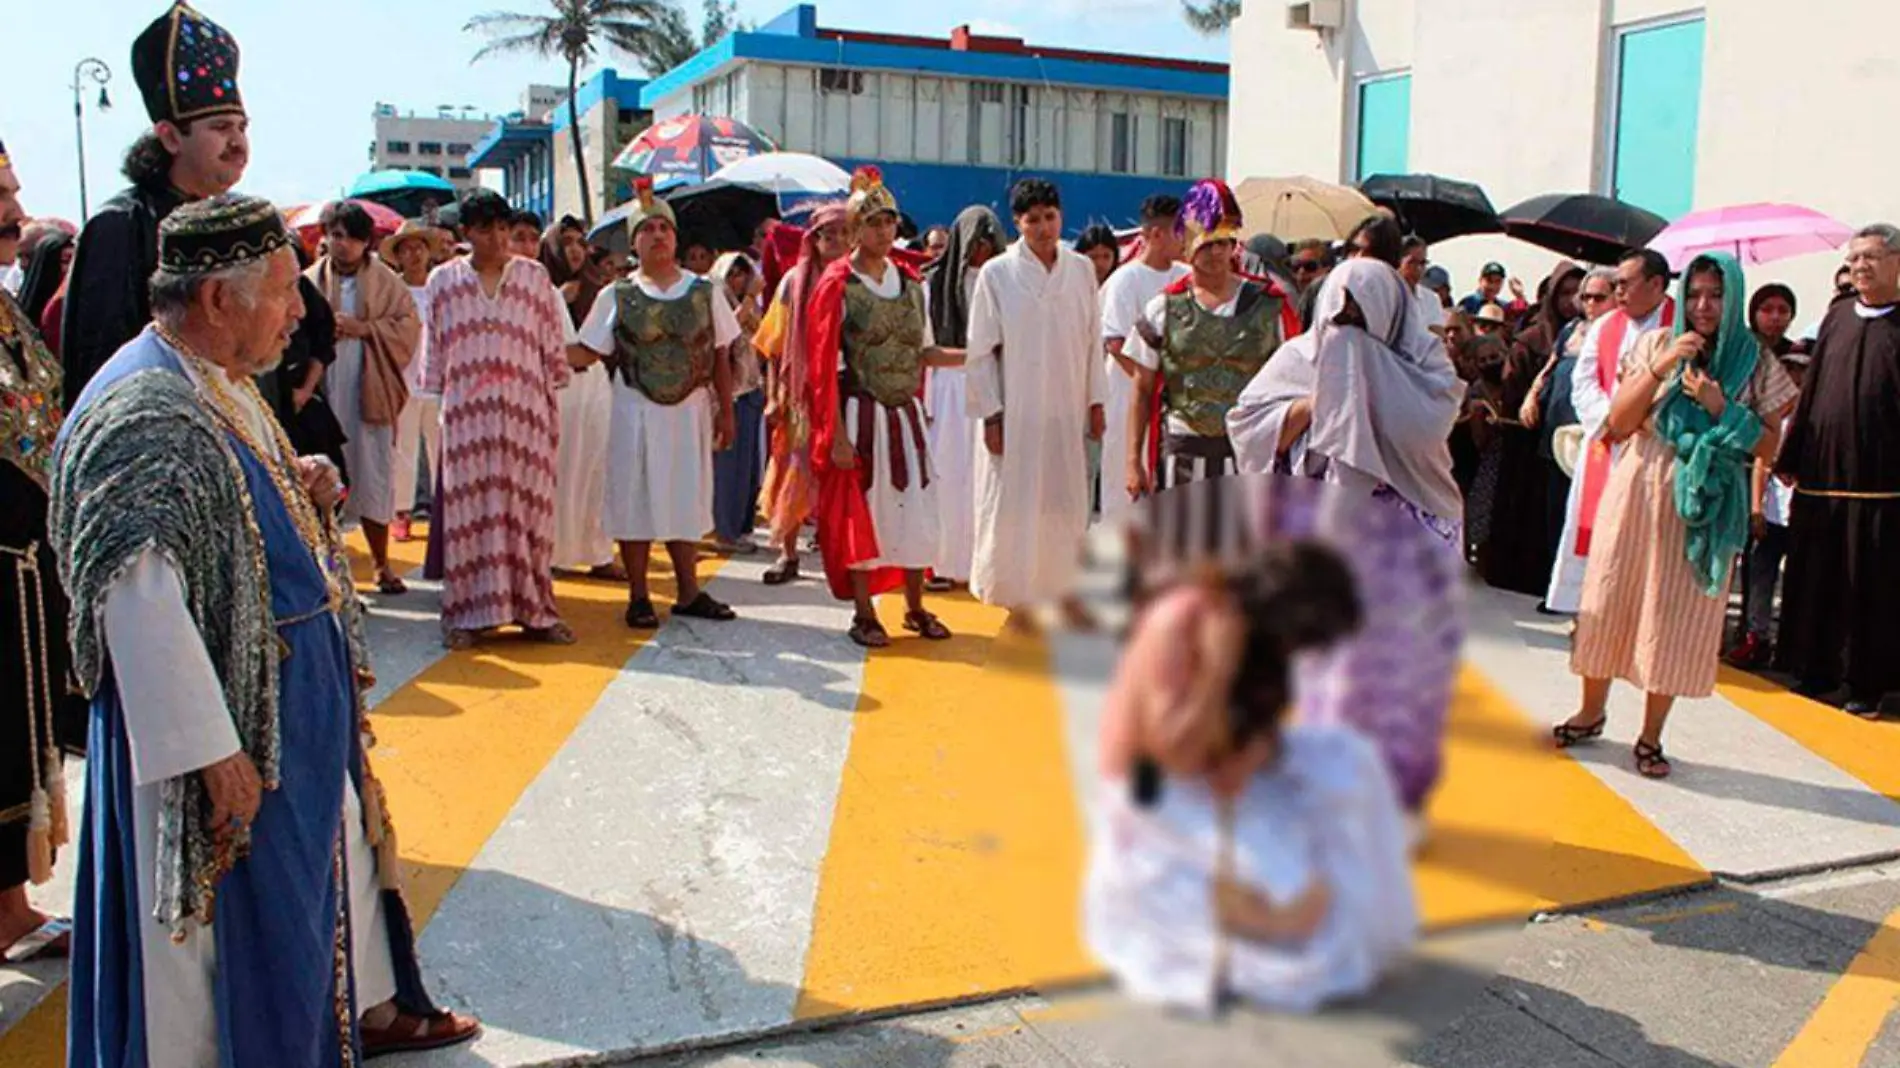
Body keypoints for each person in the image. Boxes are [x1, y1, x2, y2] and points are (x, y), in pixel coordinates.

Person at [54, 192, 481, 1064]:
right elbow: (138, 597)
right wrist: (214, 754)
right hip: (225, 745)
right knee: (205, 981)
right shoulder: (147, 412)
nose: (300, 312)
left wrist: (307, 481)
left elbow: (231, 510)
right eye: (285, 292)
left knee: (323, 901)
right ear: (217, 300)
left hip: (285, 712)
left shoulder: (214, 381)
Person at [1085, 538, 1413, 1017]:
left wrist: (1254, 759)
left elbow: (1258, 732)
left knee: (1353, 762)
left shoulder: (1259, 636)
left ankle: (1374, 923)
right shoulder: (1183, 620)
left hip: (1220, 767)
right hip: (1153, 787)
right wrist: (1217, 667)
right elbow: (1174, 753)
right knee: (1301, 913)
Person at [1228, 258, 1465, 822]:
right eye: (1341, 318)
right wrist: (1318, 404)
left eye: (1361, 318)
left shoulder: (1423, 360)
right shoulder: (1301, 357)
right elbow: (1245, 423)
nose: (1349, 331)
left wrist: (1366, 392)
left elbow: (1429, 428)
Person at [1553, 253, 1797, 777]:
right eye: (1695, 294)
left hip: (1704, 504)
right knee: (1609, 593)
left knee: (1674, 613)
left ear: (1733, 301)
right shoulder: (1656, 343)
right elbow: (1618, 422)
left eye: (1716, 295)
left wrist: (1720, 408)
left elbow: (1771, 442)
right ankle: (1592, 711)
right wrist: (1662, 367)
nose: (1703, 306)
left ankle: (1650, 735)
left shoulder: (1756, 361)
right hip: (1639, 484)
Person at [62, 2, 251, 408]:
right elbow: (104, 375)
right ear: (169, 137)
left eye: (241, 127)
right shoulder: (119, 227)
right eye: (220, 128)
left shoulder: (230, 224)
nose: (237, 143)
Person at [804, 168, 963, 647]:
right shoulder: (838, 285)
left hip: (905, 415)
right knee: (866, 513)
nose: (883, 231)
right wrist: (835, 434)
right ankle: (863, 612)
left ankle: (915, 606)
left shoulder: (913, 285)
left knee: (915, 510)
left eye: (889, 222)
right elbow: (823, 366)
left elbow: (927, 353)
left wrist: (983, 353)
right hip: (859, 412)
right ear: (853, 230)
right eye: (873, 222)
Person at [574, 180, 741, 630]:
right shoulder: (617, 295)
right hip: (633, 408)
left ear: (676, 236)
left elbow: (722, 353)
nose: (657, 236)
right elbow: (586, 351)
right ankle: (640, 594)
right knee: (635, 496)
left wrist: (726, 412)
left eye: (663, 227)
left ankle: (689, 591)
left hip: (689, 409)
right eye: (646, 229)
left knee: (685, 498)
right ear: (634, 242)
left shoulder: (705, 291)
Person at [0, 136, 86, 965]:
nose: (16, 214)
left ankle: (9, 908)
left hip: (22, 570)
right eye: (1, 197)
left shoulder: (8, 313)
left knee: (14, 742)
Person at [422, 189, 575, 650]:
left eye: (504, 228)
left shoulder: (534, 278)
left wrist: (550, 400)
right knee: (470, 517)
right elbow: (435, 350)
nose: (498, 238)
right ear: (466, 234)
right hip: (468, 418)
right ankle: (465, 615)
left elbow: (552, 346)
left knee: (529, 515)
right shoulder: (442, 282)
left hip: (525, 414)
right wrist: (437, 403)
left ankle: (536, 612)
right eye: (486, 229)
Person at [965, 177, 1107, 630]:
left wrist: (1096, 400)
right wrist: (991, 413)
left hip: (1067, 408)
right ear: (1018, 223)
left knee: (1064, 504)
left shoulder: (1082, 269)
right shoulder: (998, 274)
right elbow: (980, 349)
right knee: (1015, 505)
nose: (1044, 227)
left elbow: (1092, 341)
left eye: (1050, 217)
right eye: (1033, 220)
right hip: (1017, 410)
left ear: (1060, 216)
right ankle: (1015, 598)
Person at [1774, 225, 1900, 718]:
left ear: (1896, 261)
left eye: (1871, 256)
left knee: (1874, 587)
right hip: (1823, 476)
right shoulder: (1837, 317)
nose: (1860, 266)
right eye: (1854, 258)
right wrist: (1791, 455)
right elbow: (1813, 388)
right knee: (1818, 581)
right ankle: (1815, 670)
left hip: (1883, 487)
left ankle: (1867, 684)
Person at [1126, 179, 1297, 492]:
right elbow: (1142, 390)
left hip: (1249, 454)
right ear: (1189, 246)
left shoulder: (1269, 306)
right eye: (1207, 243)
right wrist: (1132, 462)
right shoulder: (1162, 309)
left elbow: (1292, 383)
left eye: (1223, 242)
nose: (1216, 251)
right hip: (1183, 451)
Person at [1546, 249, 1676, 616]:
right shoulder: (1605, 326)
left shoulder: (1680, 327)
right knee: (1599, 532)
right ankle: (1593, 608)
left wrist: (1641, 419)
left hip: (1657, 447)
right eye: (1615, 284)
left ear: (1655, 284)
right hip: (1609, 444)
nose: (1618, 292)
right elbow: (1583, 382)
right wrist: (1611, 420)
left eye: (1625, 283)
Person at [308, 201, 420, 596]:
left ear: (364, 242)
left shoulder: (388, 282)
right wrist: (324, 333)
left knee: (373, 474)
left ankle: (381, 564)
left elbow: (407, 326)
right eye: (334, 236)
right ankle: (329, 571)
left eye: (348, 237)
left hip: (369, 382)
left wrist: (364, 328)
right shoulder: (310, 281)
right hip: (323, 385)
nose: (340, 245)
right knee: (322, 477)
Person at [755, 205, 850, 586]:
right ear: (815, 239)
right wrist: (776, 393)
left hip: (846, 390)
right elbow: (775, 345)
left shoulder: (860, 280)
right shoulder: (793, 281)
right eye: (829, 234)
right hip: (800, 392)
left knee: (839, 474)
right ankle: (787, 553)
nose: (837, 241)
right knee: (794, 468)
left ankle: (839, 553)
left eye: (845, 233)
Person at [921, 204, 1005, 589]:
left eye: (989, 244)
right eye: (975, 243)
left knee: (988, 479)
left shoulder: (1005, 280)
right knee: (950, 477)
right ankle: (942, 563)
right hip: (950, 389)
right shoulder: (933, 284)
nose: (981, 252)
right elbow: (926, 349)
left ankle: (983, 565)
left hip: (993, 386)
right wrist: (977, 355)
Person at [1523, 265, 1614, 611]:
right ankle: (1555, 590)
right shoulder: (1572, 330)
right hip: (1557, 438)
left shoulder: (1617, 336)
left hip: (1589, 443)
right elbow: (1550, 366)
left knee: (1584, 521)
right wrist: (1533, 395)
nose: (1590, 303)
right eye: (1586, 296)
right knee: (1554, 515)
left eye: (1598, 297)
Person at [1099, 195, 1188, 528]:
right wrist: (1152, 384)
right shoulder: (1126, 279)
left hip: (1175, 404)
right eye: (1179, 231)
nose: (1186, 239)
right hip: (1130, 399)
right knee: (1125, 491)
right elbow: (1117, 344)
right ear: (1155, 234)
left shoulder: (1187, 276)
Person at [1728, 302, 1806, 670]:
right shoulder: (1770, 417)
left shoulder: (1817, 419)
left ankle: (1792, 643)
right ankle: (1754, 636)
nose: (1795, 378)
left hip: (1804, 512)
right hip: (1771, 512)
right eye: (1789, 369)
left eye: (1803, 372)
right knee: (1759, 575)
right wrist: (1756, 507)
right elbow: (1762, 459)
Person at [542, 222, 618, 578]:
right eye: (566, 242)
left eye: (580, 243)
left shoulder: (597, 291)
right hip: (557, 390)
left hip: (595, 388)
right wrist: (558, 297)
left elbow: (601, 349)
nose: (574, 250)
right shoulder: (540, 289)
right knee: (558, 472)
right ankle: (554, 553)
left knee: (596, 471)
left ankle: (598, 553)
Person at [380, 221, 449, 545]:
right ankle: (401, 512)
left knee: (441, 448)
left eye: (419, 247)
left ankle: (445, 513)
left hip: (439, 380)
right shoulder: (392, 290)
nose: (414, 254)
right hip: (404, 378)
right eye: (406, 248)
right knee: (404, 448)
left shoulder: (441, 286)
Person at [710, 251, 768, 555]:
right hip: (727, 394)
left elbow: (763, 334)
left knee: (748, 465)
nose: (738, 280)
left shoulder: (748, 304)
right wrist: (747, 301)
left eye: (743, 274)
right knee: (728, 468)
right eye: (732, 274)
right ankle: (725, 531)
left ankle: (742, 527)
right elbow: (726, 335)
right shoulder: (716, 302)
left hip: (751, 390)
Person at [1399, 236, 1445, 335]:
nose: (1419, 269)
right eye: (1412, 263)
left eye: (1422, 263)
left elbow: (1437, 337)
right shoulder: (1385, 294)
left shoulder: (1431, 299)